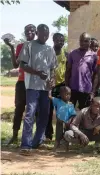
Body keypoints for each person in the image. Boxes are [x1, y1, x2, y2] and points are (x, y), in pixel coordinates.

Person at [19, 24, 58, 155]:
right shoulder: (28, 46)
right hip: (32, 86)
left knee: (44, 114)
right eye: (43, 34)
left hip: (45, 87)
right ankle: (26, 144)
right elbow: (22, 64)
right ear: (37, 33)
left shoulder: (50, 49)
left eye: (47, 35)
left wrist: (52, 79)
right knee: (30, 113)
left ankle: (37, 141)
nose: (45, 37)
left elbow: (52, 68)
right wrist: (37, 73)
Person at [3, 24, 36, 145]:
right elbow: (15, 65)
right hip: (22, 82)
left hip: (34, 82)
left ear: (36, 32)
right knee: (19, 109)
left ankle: (30, 137)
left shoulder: (39, 46)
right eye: (27, 31)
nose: (29, 33)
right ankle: (15, 135)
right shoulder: (21, 46)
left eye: (32, 30)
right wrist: (12, 47)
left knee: (32, 110)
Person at [65, 32, 97, 110]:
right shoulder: (72, 54)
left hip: (86, 89)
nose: (83, 43)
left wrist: (93, 91)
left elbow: (96, 75)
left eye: (86, 41)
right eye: (81, 40)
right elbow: (68, 71)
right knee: (69, 112)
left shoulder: (94, 56)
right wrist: (66, 86)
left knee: (84, 113)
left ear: (90, 42)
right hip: (73, 88)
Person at [46, 32, 67, 141]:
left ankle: (60, 136)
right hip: (50, 86)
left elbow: (67, 70)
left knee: (61, 112)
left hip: (61, 86)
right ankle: (48, 135)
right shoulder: (48, 53)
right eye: (59, 40)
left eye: (62, 40)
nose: (61, 42)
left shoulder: (66, 54)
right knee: (48, 111)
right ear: (53, 40)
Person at [50, 86, 76, 152]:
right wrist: (50, 88)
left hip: (67, 123)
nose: (68, 96)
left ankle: (66, 149)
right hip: (59, 122)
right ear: (61, 95)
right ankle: (55, 148)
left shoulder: (70, 105)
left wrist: (69, 121)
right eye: (66, 94)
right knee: (58, 136)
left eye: (69, 94)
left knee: (66, 136)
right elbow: (49, 97)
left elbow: (73, 115)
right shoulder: (57, 101)